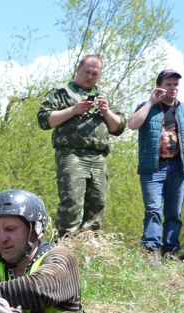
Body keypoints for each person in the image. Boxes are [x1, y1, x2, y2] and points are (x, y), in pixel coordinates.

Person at [38, 54, 125, 237]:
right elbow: (44, 120)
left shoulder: (103, 96)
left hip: (98, 156)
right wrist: (74, 110)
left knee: (98, 203)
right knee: (72, 201)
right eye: (87, 72)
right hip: (71, 154)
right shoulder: (61, 92)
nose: (90, 76)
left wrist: (106, 111)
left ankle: (87, 245)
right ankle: (64, 244)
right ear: (78, 69)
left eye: (95, 73)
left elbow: (118, 127)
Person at [126, 68, 184, 259]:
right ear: (159, 86)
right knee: (153, 209)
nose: (173, 88)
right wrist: (151, 102)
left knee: (174, 212)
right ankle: (151, 250)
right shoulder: (147, 106)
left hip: (178, 167)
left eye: (175, 84)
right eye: (168, 84)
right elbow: (132, 124)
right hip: (153, 168)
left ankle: (171, 251)